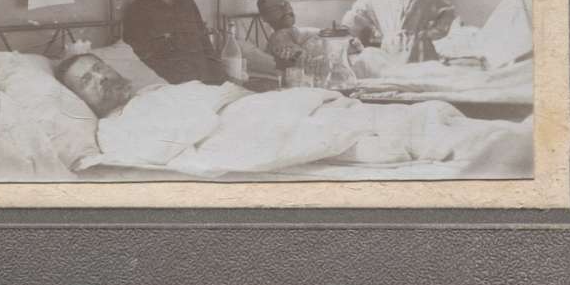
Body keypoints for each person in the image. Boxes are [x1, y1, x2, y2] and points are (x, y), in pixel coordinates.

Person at [53, 52, 532, 178]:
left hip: (258, 108)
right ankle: (500, 145)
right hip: (240, 127)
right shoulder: (113, 133)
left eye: (100, 68)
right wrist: (221, 104)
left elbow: (217, 93)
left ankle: (502, 139)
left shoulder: (156, 92)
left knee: (364, 113)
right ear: (80, 100)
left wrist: (229, 97)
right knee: (371, 132)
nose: (101, 78)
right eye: (87, 81)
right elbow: (164, 150)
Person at [122, 0, 227, 85]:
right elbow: (145, 61)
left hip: (208, 83)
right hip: (174, 87)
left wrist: (222, 81)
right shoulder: (139, 10)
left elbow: (205, 42)